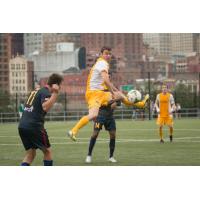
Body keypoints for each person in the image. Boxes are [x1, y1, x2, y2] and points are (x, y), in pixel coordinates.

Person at [68, 47, 122, 141]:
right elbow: (106, 80)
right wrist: (113, 93)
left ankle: (73, 131)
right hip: (95, 94)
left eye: (109, 54)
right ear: (101, 54)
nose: (108, 55)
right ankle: (139, 104)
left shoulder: (101, 64)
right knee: (119, 96)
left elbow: (107, 81)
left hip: (97, 93)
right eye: (106, 53)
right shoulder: (102, 63)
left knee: (93, 115)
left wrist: (114, 90)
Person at [85, 93, 150, 163]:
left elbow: (114, 106)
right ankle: (89, 155)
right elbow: (104, 104)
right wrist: (115, 100)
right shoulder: (101, 93)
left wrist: (120, 99)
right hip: (100, 116)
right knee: (95, 134)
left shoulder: (116, 95)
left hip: (110, 117)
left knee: (113, 135)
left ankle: (111, 157)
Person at [18, 73, 63, 166]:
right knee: (47, 152)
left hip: (22, 125)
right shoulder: (46, 92)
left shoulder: (37, 91)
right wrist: (55, 93)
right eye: (60, 85)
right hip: (34, 126)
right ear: (56, 85)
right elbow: (45, 107)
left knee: (31, 154)